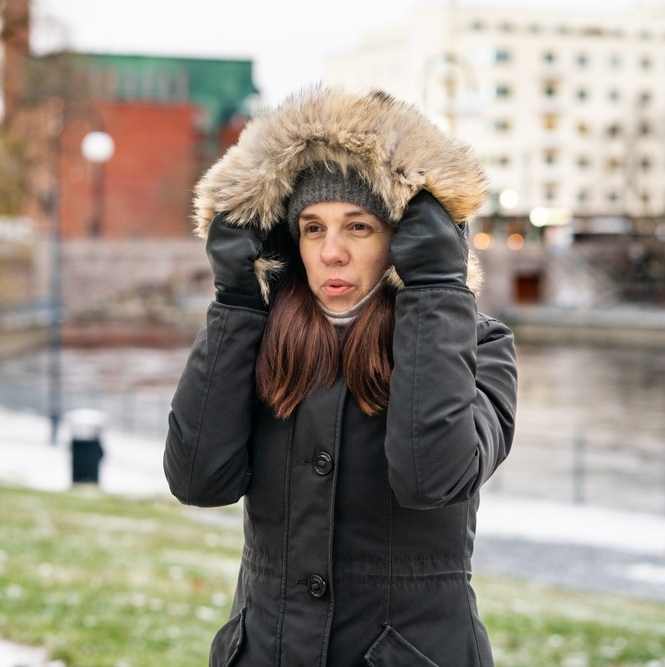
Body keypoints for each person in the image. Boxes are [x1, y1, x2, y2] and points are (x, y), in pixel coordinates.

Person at [165, 86, 517, 667]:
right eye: (312, 228)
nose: (331, 252)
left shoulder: (480, 347)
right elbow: (198, 479)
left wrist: (435, 288)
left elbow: (431, 478)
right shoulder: (260, 338)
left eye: (358, 227)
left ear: (403, 239)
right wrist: (237, 301)